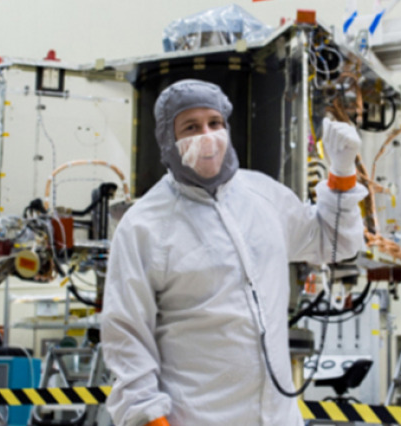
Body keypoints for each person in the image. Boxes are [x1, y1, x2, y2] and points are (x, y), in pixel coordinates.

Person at [101, 79, 368, 426]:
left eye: (215, 123)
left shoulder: (264, 195)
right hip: (196, 417)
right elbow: (126, 334)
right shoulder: (144, 225)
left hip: (277, 417)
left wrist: (342, 174)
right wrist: (149, 417)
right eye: (191, 127)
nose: (207, 135)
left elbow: (333, 243)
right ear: (168, 139)